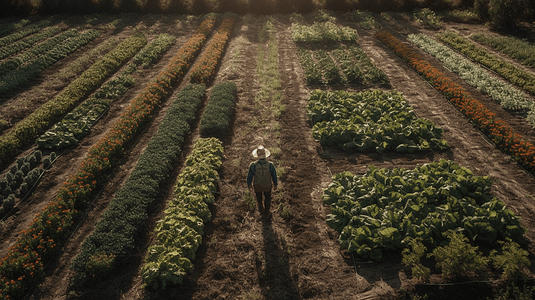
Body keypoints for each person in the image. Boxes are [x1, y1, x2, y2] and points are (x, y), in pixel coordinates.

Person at [246, 145, 278, 220]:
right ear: (265, 155)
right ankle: (267, 211)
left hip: (257, 185)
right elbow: (274, 176)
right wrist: (275, 184)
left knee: (258, 196)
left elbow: (249, 176)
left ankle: (260, 207)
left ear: (257, 155)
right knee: (267, 197)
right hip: (267, 185)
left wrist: (249, 184)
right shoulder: (270, 165)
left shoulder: (253, 165)